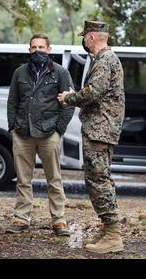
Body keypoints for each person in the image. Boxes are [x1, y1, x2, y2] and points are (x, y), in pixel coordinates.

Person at [58, 21, 125, 254]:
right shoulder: (106, 59)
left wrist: (69, 97)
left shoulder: (105, 60)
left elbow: (93, 92)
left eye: (85, 36)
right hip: (101, 129)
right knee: (101, 178)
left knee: (98, 179)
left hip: (100, 129)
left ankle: (113, 234)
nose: (84, 40)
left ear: (92, 37)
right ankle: (109, 230)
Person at [6, 34, 74, 236]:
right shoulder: (20, 72)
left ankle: (59, 220)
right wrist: (13, 126)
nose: (38, 51)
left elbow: (68, 102)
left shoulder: (60, 73)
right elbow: (12, 101)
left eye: (41, 47)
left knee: (54, 178)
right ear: (29, 50)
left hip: (49, 133)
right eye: (34, 47)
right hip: (22, 133)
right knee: (23, 179)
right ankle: (21, 218)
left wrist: (59, 129)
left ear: (49, 49)